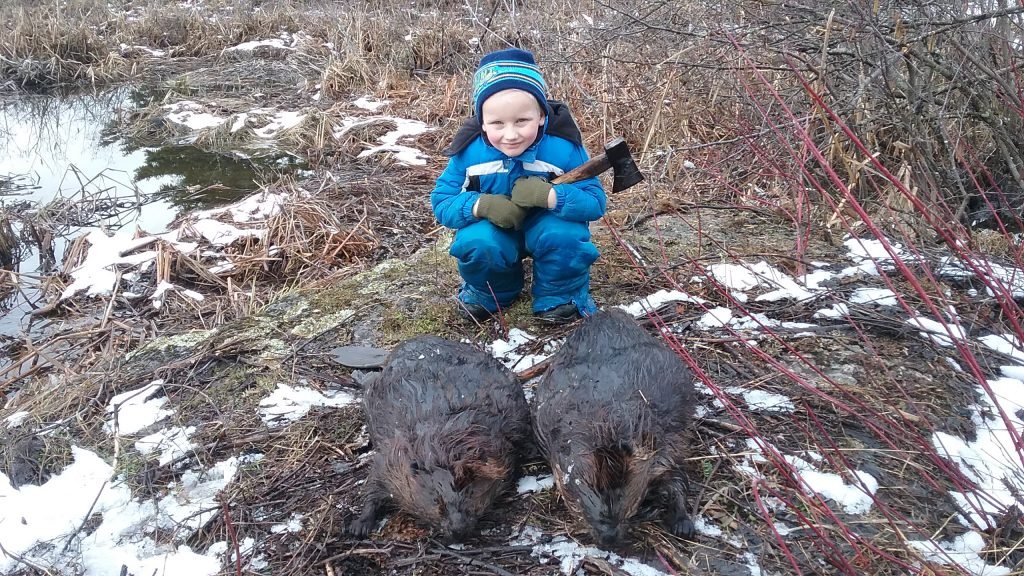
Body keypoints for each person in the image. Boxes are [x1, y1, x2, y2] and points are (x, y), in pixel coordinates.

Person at [431, 48, 607, 324]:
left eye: (522, 121)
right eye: (497, 123)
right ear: (481, 122)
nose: (510, 135)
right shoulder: (468, 153)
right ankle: (491, 293)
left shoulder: (564, 148)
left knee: (565, 236)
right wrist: (481, 205)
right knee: (477, 242)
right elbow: (442, 202)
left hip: (548, 224)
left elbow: (595, 202)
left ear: (541, 115)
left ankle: (560, 295)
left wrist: (551, 196)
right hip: (495, 229)